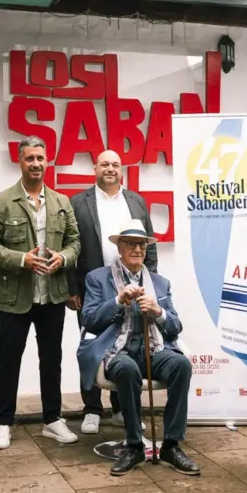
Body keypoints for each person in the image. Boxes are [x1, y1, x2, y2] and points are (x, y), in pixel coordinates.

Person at [0, 135, 81, 450]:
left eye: (40, 158)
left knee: (52, 360)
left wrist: (63, 258)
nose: (35, 164)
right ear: (20, 162)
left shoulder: (62, 202)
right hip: (13, 298)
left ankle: (52, 419)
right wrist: (22, 259)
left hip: (52, 295)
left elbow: (75, 242)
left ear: (46, 161)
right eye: (29, 159)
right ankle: (3, 422)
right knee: (8, 360)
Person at [77, 219, 198, 477]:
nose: (137, 249)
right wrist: (118, 301)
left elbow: (175, 326)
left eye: (141, 244)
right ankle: (134, 446)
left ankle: (171, 445)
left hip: (153, 350)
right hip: (116, 351)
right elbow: (89, 319)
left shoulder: (160, 283)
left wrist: (159, 311)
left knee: (180, 365)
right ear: (119, 248)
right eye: (130, 243)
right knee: (127, 369)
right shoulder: (98, 278)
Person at [68, 149, 156, 434]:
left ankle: (121, 408)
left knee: (128, 343)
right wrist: (72, 287)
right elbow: (70, 246)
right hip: (92, 288)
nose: (110, 168)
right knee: (93, 344)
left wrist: (150, 283)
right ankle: (92, 408)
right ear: (95, 168)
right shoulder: (78, 203)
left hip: (130, 284)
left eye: (115, 164)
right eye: (104, 164)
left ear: (122, 170)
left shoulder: (136, 202)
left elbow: (148, 247)